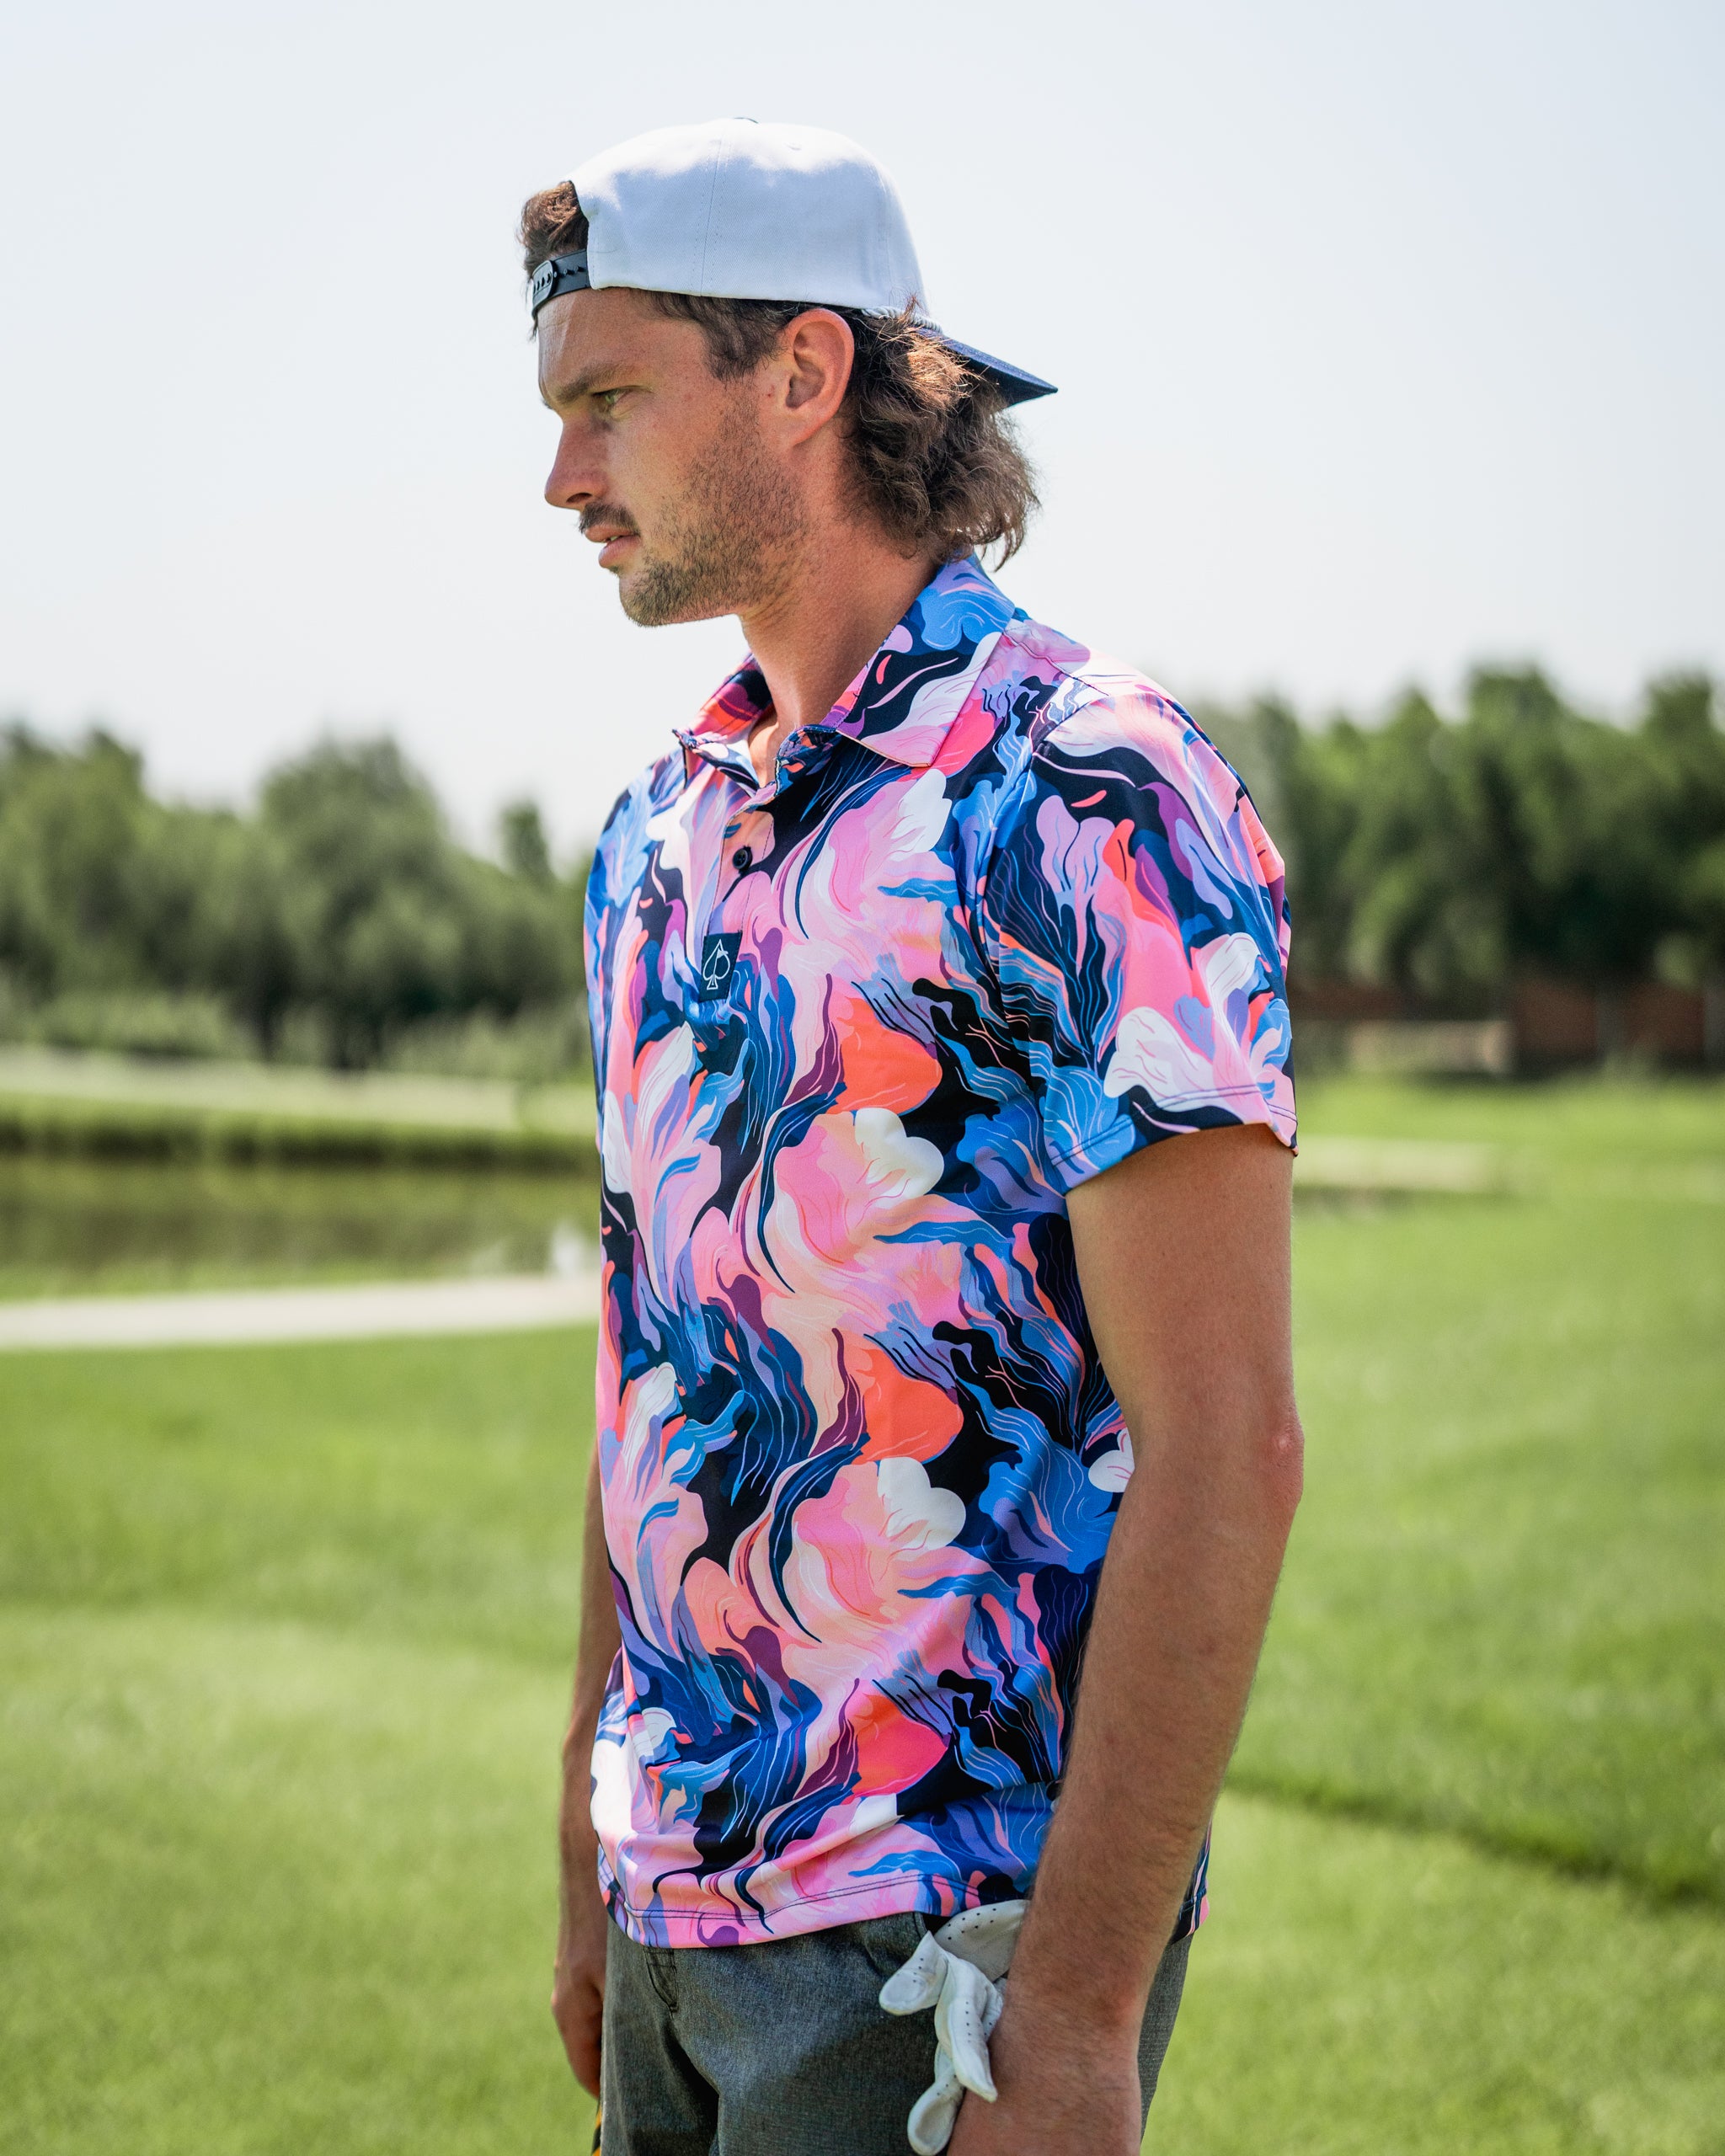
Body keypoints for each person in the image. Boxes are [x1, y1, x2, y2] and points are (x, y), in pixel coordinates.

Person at [529, 119, 1302, 2156]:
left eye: (608, 401)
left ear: (803, 373)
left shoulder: (1086, 791)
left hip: (935, 1944)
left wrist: (1069, 2019)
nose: (559, 476)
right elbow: (651, 1382)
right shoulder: (648, 843)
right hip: (674, 1902)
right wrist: (587, 1837)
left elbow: (1228, 1443)